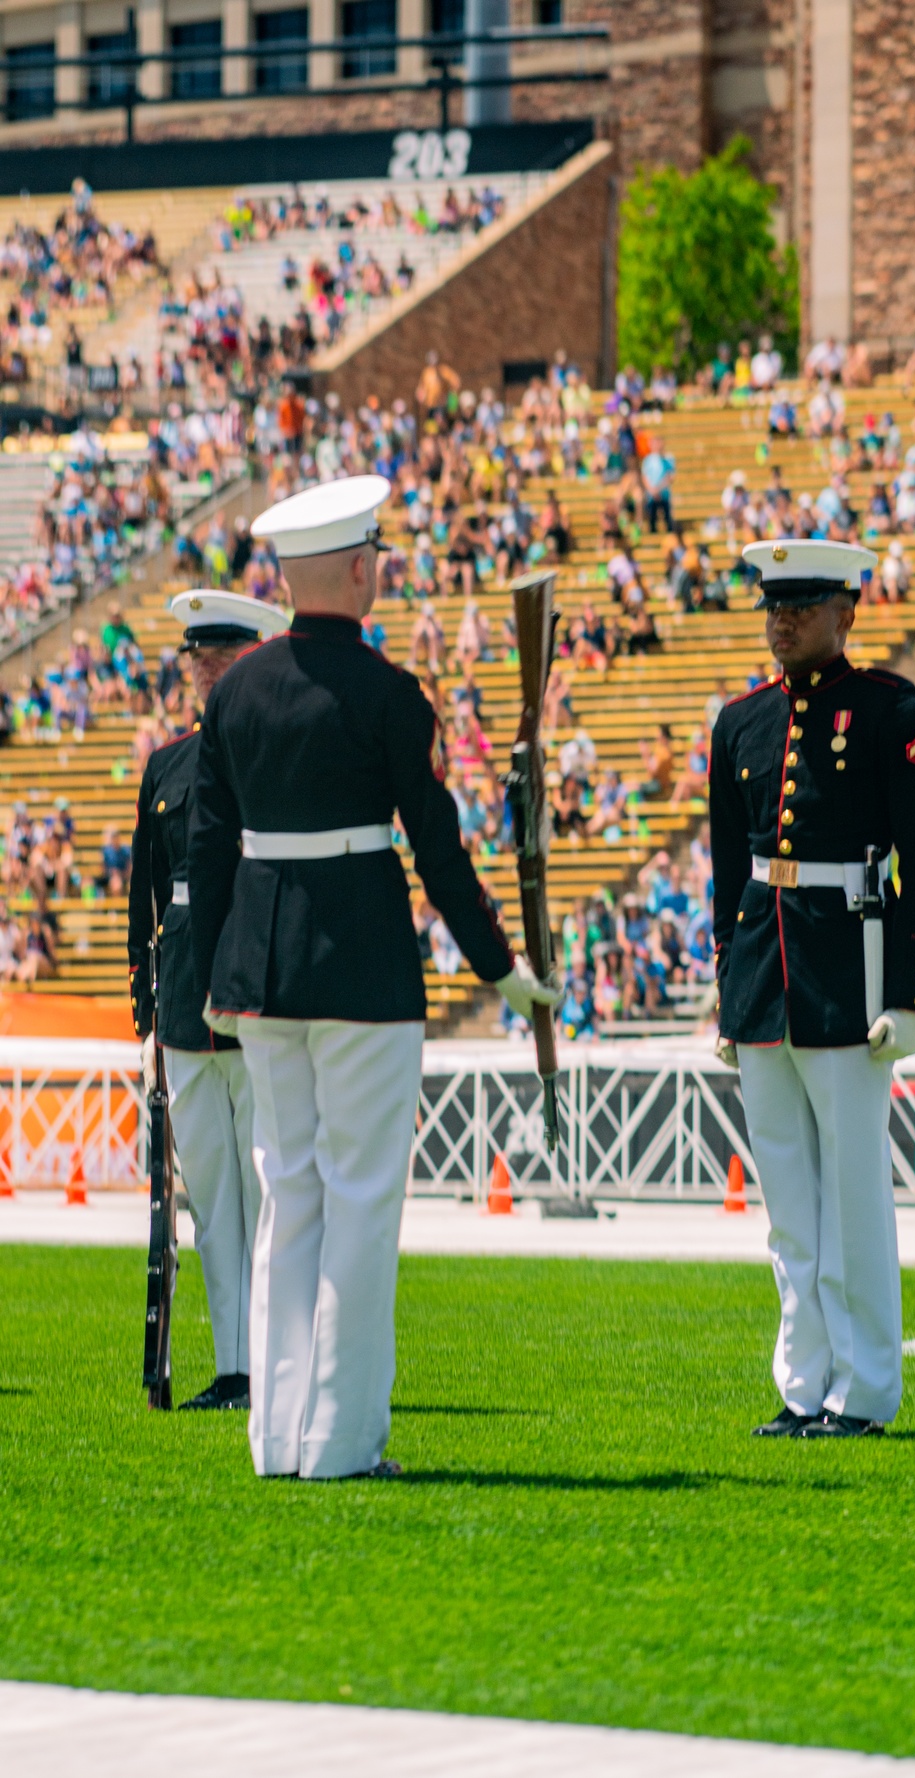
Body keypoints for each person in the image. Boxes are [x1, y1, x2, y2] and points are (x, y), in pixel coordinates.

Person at [186, 475, 559, 1481]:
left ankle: (278, 1437)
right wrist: (502, 967)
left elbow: (210, 853)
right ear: (358, 568)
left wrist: (207, 986)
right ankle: (341, 1439)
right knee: (357, 1200)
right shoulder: (391, 693)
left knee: (289, 1197)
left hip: (258, 974)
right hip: (356, 962)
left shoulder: (232, 693)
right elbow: (435, 850)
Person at [710, 538, 915, 1440]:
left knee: (852, 1198)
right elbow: (727, 869)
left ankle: (864, 1391)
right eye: (774, 603)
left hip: (850, 967)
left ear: (848, 611)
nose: (784, 619)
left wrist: (911, 993)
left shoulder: (893, 711)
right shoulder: (739, 723)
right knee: (787, 1206)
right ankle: (803, 1382)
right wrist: (729, 990)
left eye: (804, 604)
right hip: (764, 974)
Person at [128, 589, 290, 1413]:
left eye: (221, 659)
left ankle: (276, 1359)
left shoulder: (271, 753)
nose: (207, 673)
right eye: (199, 660)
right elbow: (145, 892)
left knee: (267, 1192)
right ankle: (234, 1367)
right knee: (213, 1202)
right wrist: (144, 998)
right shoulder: (168, 763)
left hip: (252, 993)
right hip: (188, 1000)